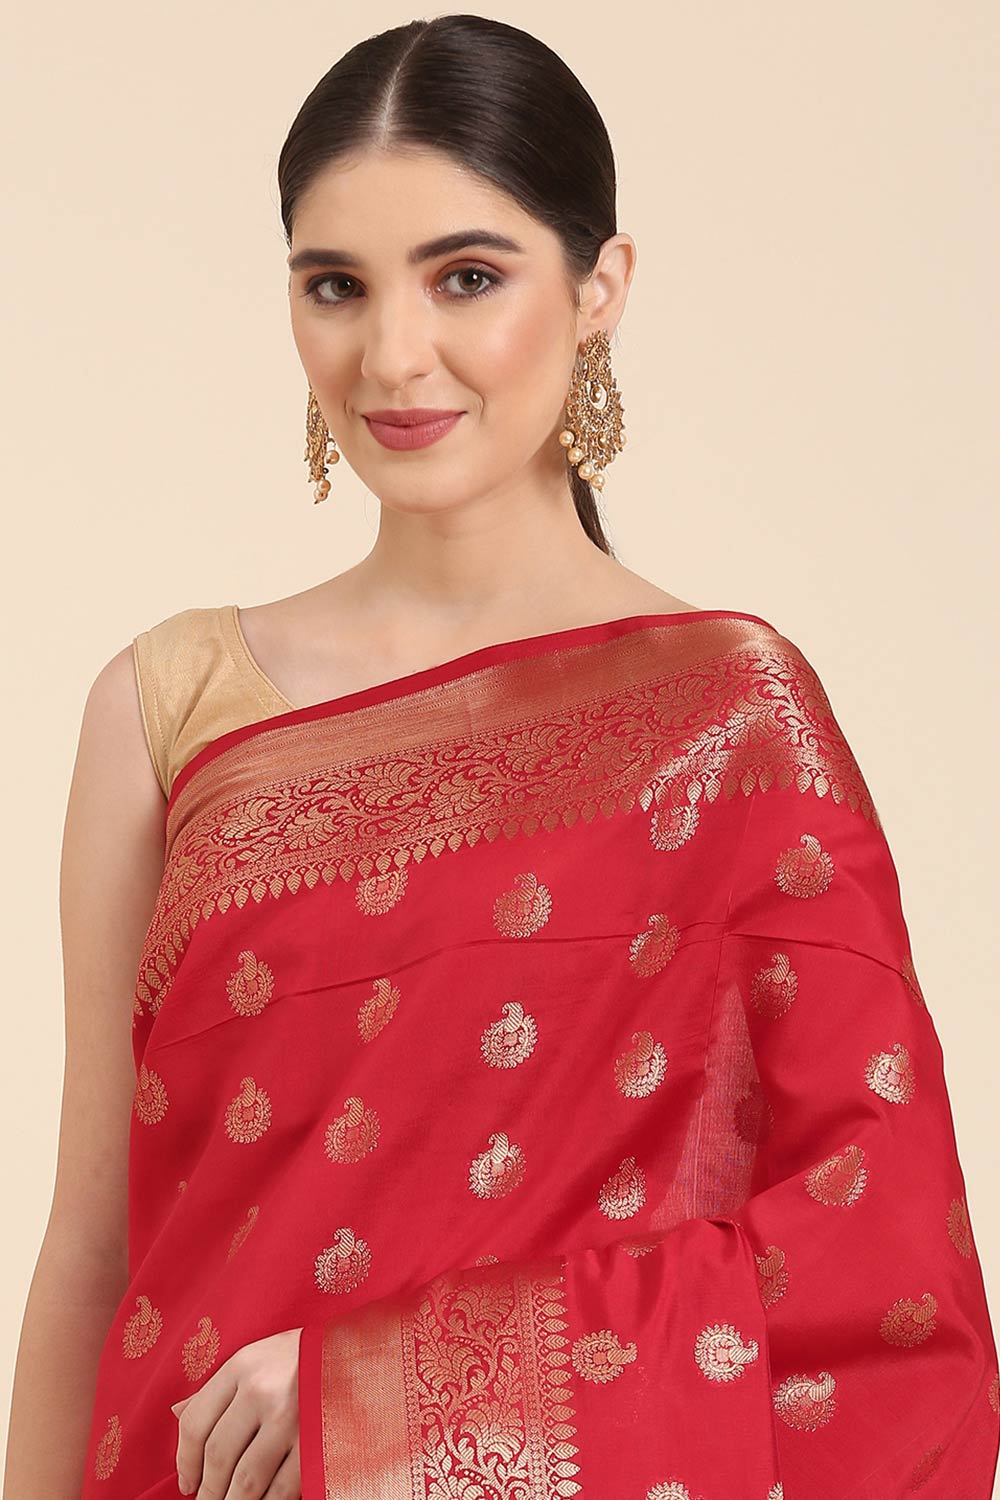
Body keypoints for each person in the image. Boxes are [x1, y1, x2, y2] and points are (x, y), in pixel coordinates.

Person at [4, 15, 998, 1500]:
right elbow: (95, 1251)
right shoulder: (174, 706)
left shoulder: (732, 727)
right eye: (336, 285)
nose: (394, 354)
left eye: (467, 276)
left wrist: (390, 1390)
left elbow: (882, 1283)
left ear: (601, 288)